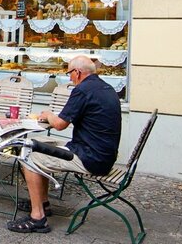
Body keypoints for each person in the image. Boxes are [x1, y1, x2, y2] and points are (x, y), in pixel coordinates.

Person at [7, 55, 121, 233]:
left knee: (27, 154)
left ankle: (37, 218)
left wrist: (48, 114)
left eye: (69, 73)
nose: (69, 78)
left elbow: (60, 124)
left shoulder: (83, 89)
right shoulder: (105, 87)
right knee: (39, 143)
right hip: (102, 154)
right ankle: (43, 203)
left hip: (89, 157)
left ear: (78, 72)